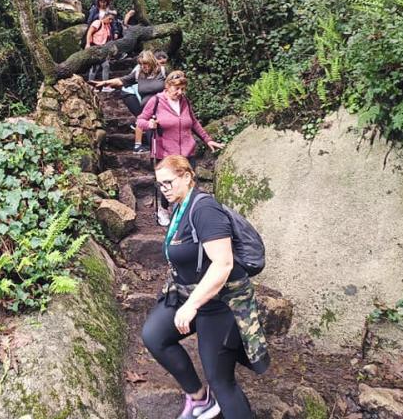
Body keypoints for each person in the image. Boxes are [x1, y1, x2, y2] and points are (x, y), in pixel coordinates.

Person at [142, 155, 269, 419]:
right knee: (155, 335)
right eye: (160, 184)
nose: (164, 189)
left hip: (222, 304)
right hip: (191, 294)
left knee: (221, 380)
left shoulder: (204, 210)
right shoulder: (180, 207)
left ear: (187, 177)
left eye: (168, 182)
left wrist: (191, 306)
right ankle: (200, 399)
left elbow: (223, 264)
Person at [136, 70, 224, 225]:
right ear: (167, 86)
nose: (180, 92)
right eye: (176, 88)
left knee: (188, 183)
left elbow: (194, 122)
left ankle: (184, 215)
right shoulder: (156, 101)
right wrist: (150, 124)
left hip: (187, 151)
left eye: (183, 89)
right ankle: (163, 210)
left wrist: (207, 140)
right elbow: (140, 120)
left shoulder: (185, 101)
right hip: (167, 152)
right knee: (168, 183)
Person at [91, 51, 166, 153]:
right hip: (147, 109)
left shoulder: (162, 71)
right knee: (147, 125)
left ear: (152, 61)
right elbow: (121, 80)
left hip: (161, 108)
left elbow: (174, 82)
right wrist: (104, 83)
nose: (143, 66)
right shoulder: (139, 73)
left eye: (145, 63)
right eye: (141, 64)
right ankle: (147, 149)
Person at [85, 10, 114, 85]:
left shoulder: (108, 26)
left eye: (111, 19)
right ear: (105, 17)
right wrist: (88, 44)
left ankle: (105, 86)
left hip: (102, 49)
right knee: (95, 67)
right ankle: (91, 85)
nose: (110, 21)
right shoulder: (97, 23)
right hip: (94, 47)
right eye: (109, 19)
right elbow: (89, 32)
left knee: (106, 66)